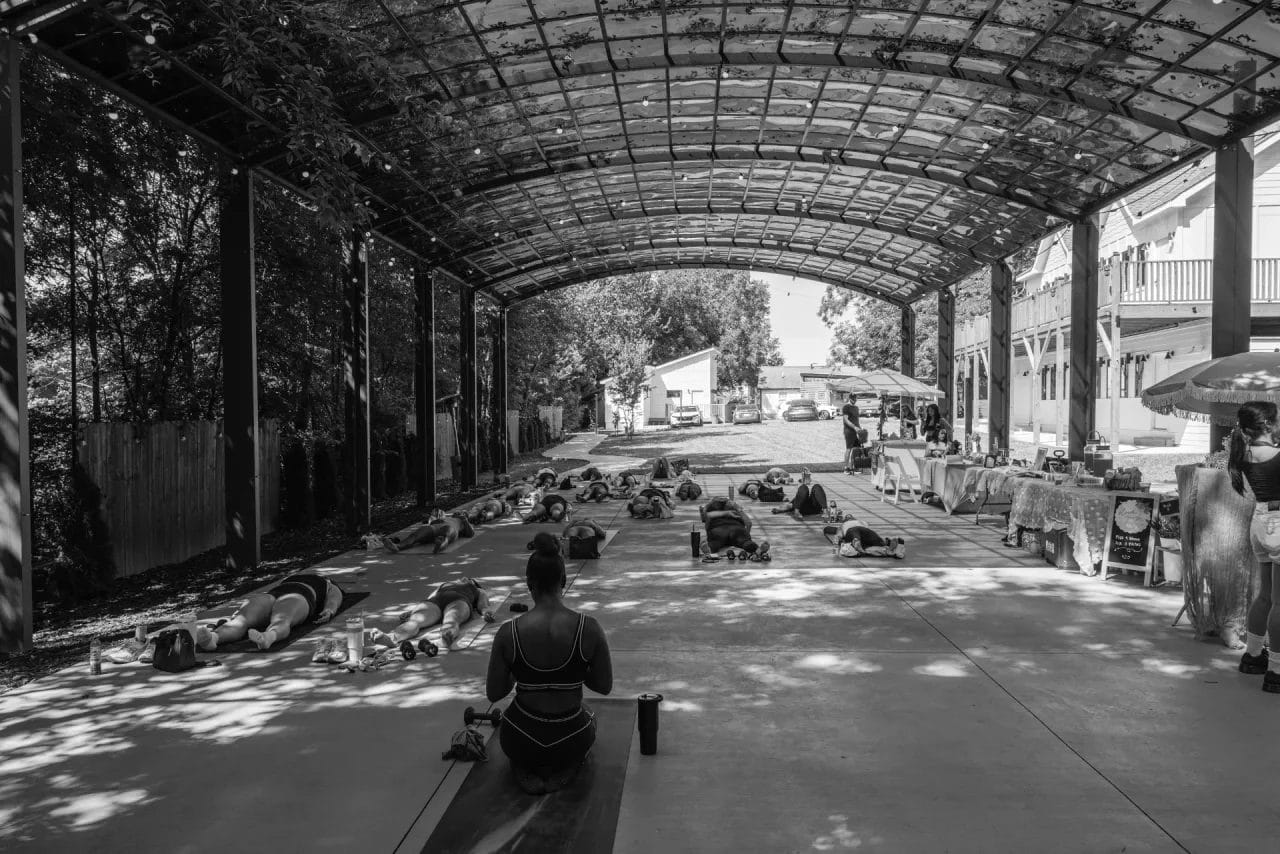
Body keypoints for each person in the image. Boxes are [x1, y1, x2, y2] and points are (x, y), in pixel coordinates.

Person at [486, 534, 613, 794]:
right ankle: (567, 766)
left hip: (522, 736)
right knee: (587, 713)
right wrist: (574, 668)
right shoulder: (588, 628)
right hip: (571, 736)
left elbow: (494, 693)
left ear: (529, 583)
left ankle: (525, 767)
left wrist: (519, 671)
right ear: (564, 581)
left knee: (517, 725)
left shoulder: (508, 632)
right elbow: (603, 686)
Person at [1228, 401, 1280, 693]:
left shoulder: (1244, 454)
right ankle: (1276, 670)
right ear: (1270, 425)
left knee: (1266, 596)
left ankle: (1253, 655)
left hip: (1260, 521)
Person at [195, 572, 343, 651]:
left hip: (302, 596)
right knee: (241, 619)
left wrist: (329, 610)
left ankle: (268, 637)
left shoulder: (327, 584)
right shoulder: (301, 578)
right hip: (272, 595)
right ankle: (213, 639)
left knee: (283, 617)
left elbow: (335, 597)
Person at [370, 577, 493, 650]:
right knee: (415, 621)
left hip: (460, 601)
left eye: (469, 579)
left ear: (473, 582)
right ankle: (391, 638)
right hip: (435, 602)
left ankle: (447, 637)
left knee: (452, 620)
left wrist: (486, 612)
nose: (465, 578)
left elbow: (483, 604)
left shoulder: (476, 589)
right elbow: (429, 598)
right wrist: (412, 611)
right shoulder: (445, 584)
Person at [699, 497, 769, 559]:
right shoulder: (736, 513)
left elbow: (705, 517)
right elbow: (749, 523)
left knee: (714, 543)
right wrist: (747, 536)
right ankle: (758, 551)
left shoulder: (712, 515)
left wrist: (708, 505)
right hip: (737, 530)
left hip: (718, 530)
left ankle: (709, 551)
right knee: (746, 543)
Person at [387, 510, 475, 553]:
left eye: (462, 513)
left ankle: (439, 545)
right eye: (458, 512)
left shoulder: (463, 522)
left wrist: (464, 520)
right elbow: (431, 522)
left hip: (451, 528)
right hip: (435, 527)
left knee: (446, 534)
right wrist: (434, 520)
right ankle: (398, 546)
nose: (458, 513)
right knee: (417, 534)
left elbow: (471, 534)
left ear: (466, 516)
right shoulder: (446, 517)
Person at [826, 518, 906, 559]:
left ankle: (857, 544)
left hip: (853, 531)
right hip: (867, 532)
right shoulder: (862, 522)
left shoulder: (844, 525)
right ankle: (889, 547)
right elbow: (868, 531)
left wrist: (835, 552)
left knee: (855, 540)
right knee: (879, 543)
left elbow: (836, 537)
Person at [842, 398, 864, 474]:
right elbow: (846, 419)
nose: (854, 400)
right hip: (849, 431)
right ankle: (846, 468)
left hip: (856, 431)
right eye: (852, 398)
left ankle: (853, 467)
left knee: (856, 449)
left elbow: (856, 420)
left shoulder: (856, 408)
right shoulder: (846, 407)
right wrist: (854, 427)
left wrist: (860, 428)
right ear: (850, 398)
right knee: (849, 449)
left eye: (855, 398)